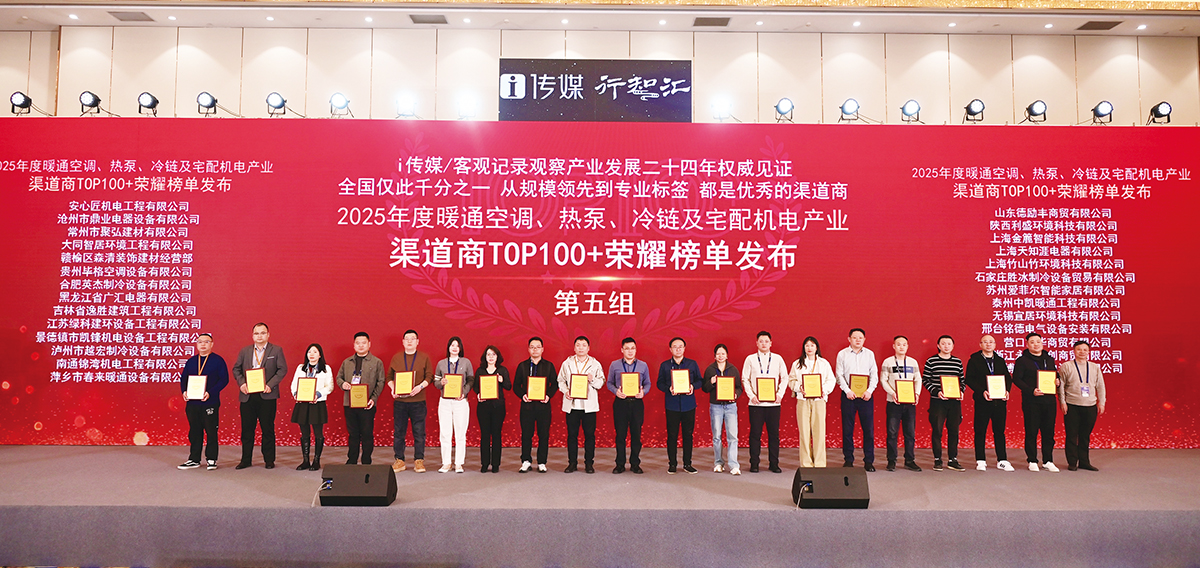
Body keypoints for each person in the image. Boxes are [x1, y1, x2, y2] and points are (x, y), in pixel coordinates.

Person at [232, 322, 287, 469]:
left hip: (267, 395)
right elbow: (236, 369)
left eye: (262, 333)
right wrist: (242, 384)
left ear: (268, 335)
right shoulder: (245, 351)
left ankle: (269, 460)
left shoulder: (276, 350)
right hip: (248, 395)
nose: (259, 336)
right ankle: (245, 460)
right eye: (256, 333)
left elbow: (282, 369)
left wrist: (270, 385)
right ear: (252, 336)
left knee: (267, 429)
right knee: (247, 429)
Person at [178, 333, 229, 470]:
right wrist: (184, 391)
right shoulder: (191, 361)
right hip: (192, 403)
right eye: (200, 341)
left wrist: (210, 393)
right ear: (197, 344)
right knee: (194, 431)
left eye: (206, 341)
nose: (203, 344)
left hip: (210, 401)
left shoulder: (218, 361)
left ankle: (211, 459)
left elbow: (224, 380)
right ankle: (194, 459)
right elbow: (184, 379)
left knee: (211, 431)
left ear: (211, 344)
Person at [964, 334, 1015, 472]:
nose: (988, 344)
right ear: (980, 344)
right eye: (985, 342)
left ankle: (1002, 460)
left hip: (999, 401)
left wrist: (1007, 391)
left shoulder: (1000, 360)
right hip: (983, 400)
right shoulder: (974, 360)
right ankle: (980, 460)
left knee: (999, 431)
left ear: (995, 344)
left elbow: (1007, 378)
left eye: (991, 342)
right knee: (980, 430)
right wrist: (982, 391)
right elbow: (969, 379)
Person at [1012, 332, 1061, 472]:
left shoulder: (1049, 359)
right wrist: (1031, 390)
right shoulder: (1022, 360)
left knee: (1049, 432)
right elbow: (1017, 379)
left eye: (1038, 341)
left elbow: (1054, 374)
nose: (1036, 344)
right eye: (1032, 342)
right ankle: (1032, 460)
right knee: (1031, 431)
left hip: (1049, 401)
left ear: (1042, 343)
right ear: (1027, 344)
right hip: (1031, 401)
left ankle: (1048, 460)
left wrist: (1057, 380)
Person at [741, 331, 788, 473]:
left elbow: (785, 378)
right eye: (761, 341)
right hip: (756, 403)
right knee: (755, 434)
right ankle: (754, 463)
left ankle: (774, 463)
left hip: (774, 404)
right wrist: (751, 395)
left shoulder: (778, 359)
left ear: (771, 343)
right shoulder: (750, 359)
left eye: (766, 341)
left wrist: (779, 394)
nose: (763, 344)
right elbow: (745, 379)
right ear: (756, 343)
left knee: (774, 435)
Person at [557, 335, 605, 473]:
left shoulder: (595, 364)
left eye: (584, 345)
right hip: (572, 405)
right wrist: (566, 391)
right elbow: (560, 380)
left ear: (588, 348)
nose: (581, 348)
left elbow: (601, 383)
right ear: (574, 348)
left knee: (589, 436)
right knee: (572, 435)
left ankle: (589, 464)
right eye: (578, 345)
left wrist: (592, 379)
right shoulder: (567, 363)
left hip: (589, 406)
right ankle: (572, 463)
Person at [337, 331, 385, 465]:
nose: (361, 345)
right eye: (358, 343)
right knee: (353, 434)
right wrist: (343, 384)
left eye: (364, 343)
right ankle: (352, 460)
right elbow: (339, 377)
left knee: (367, 434)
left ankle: (366, 460)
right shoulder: (347, 362)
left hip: (367, 404)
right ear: (354, 345)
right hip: (350, 404)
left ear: (369, 344)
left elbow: (381, 381)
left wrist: (373, 399)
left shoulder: (376, 362)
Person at [389, 329, 434, 474]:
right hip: (400, 402)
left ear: (417, 341)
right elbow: (389, 377)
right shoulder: (396, 357)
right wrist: (393, 389)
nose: (409, 341)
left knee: (419, 432)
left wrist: (420, 387)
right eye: (407, 339)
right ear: (403, 342)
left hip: (418, 401)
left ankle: (419, 460)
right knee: (399, 432)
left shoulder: (424, 357)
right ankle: (399, 460)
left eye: (412, 338)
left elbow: (429, 377)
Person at [657, 337, 703, 474]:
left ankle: (687, 464)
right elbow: (659, 383)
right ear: (670, 349)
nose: (678, 349)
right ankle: (672, 464)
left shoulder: (692, 364)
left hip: (689, 405)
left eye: (680, 346)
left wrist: (692, 386)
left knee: (688, 435)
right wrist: (668, 388)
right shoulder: (665, 365)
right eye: (675, 347)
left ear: (684, 348)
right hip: (672, 405)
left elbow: (700, 381)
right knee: (672, 435)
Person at [788, 336, 836, 468]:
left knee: (819, 432)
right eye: (807, 345)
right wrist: (799, 388)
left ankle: (820, 463)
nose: (809, 348)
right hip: (803, 400)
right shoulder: (797, 364)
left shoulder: (824, 363)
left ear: (816, 348)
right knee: (804, 432)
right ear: (804, 347)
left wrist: (823, 390)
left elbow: (831, 380)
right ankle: (806, 463)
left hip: (819, 400)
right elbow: (791, 380)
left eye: (812, 345)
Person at [1058, 341, 1106, 471]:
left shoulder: (1094, 367)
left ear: (1089, 352)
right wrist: (1062, 402)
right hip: (1072, 405)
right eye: (1079, 349)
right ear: (1074, 351)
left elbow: (1100, 386)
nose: (1082, 352)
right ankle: (1072, 462)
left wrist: (1102, 402)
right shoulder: (1066, 366)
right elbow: (1061, 385)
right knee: (1072, 435)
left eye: (1085, 350)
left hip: (1090, 405)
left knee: (1085, 435)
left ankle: (1084, 461)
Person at [835, 328, 878, 472]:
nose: (858, 340)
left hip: (866, 396)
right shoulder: (842, 354)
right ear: (849, 339)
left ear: (864, 339)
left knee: (868, 430)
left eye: (860, 337)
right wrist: (847, 390)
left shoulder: (870, 354)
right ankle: (848, 460)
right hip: (848, 396)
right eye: (855, 337)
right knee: (848, 429)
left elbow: (874, 374)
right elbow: (839, 375)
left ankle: (869, 461)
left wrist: (869, 391)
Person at [513, 336, 558, 473]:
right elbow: (516, 385)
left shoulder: (549, 366)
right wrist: (523, 395)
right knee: (526, 434)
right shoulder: (522, 366)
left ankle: (542, 462)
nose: (535, 350)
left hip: (543, 406)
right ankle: (526, 461)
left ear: (542, 349)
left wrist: (548, 395)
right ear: (528, 349)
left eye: (538, 347)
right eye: (532, 347)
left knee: (543, 434)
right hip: (527, 406)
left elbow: (555, 384)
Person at [606, 337, 650, 474]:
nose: (630, 351)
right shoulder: (614, 365)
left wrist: (643, 392)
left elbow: (648, 383)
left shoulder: (643, 365)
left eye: (632, 348)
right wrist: (616, 392)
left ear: (636, 350)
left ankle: (635, 463)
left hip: (637, 403)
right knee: (620, 435)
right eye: (627, 348)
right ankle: (620, 464)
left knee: (636, 434)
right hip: (621, 403)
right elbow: (609, 383)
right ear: (622, 350)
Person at [923, 335, 965, 472]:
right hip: (937, 402)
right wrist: (937, 392)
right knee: (937, 430)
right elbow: (925, 380)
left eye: (949, 344)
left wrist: (961, 391)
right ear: (938, 345)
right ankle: (937, 459)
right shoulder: (931, 361)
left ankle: (953, 459)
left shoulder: (957, 362)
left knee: (954, 431)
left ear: (953, 346)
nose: (946, 346)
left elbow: (962, 380)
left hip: (954, 402)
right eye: (943, 343)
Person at [879, 336, 921, 472]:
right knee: (892, 433)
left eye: (904, 344)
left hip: (909, 403)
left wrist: (916, 394)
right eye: (898, 344)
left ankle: (910, 460)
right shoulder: (888, 362)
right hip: (894, 402)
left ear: (907, 346)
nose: (901, 347)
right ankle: (891, 460)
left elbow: (918, 379)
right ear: (894, 346)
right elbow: (883, 380)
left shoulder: (913, 362)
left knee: (910, 433)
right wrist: (893, 393)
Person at [290, 343, 334, 471]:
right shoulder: (301, 368)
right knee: (304, 433)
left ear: (320, 355)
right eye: (309, 352)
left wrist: (318, 394)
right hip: (302, 403)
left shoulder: (326, 368)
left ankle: (316, 460)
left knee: (318, 433)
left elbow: (329, 386)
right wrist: (296, 394)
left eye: (315, 352)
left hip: (317, 404)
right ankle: (305, 460)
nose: (312, 354)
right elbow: (294, 384)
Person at [434, 336, 475, 473]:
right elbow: (436, 382)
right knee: (445, 433)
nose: (455, 348)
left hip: (460, 401)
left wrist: (464, 392)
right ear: (448, 347)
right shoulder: (441, 363)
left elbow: (471, 380)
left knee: (460, 433)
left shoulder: (466, 362)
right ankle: (446, 463)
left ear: (460, 348)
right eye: (452, 345)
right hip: (445, 401)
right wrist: (441, 383)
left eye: (457, 345)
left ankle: (459, 463)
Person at [701, 344, 741, 475]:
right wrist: (711, 382)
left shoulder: (733, 369)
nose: (720, 356)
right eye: (718, 354)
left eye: (723, 353)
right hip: (716, 406)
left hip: (730, 406)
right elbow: (704, 388)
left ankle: (734, 465)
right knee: (716, 436)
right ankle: (718, 462)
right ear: (714, 356)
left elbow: (739, 387)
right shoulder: (710, 369)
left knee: (732, 436)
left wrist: (736, 394)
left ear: (727, 355)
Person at [474, 345, 511, 473]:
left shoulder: (502, 370)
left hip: (498, 407)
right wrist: (478, 395)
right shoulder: (480, 371)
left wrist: (501, 380)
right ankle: (484, 463)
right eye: (488, 354)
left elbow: (508, 386)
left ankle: (496, 464)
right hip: (483, 406)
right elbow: (475, 387)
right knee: (484, 435)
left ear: (497, 357)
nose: (491, 357)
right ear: (485, 357)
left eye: (493, 354)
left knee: (496, 434)